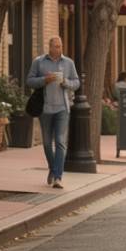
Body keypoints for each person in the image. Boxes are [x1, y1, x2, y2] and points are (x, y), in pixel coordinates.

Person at [25, 37, 80, 189]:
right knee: (48, 143)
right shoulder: (39, 62)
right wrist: (44, 80)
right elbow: (29, 81)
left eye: (60, 46)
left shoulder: (69, 63)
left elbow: (76, 83)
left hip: (63, 108)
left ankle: (58, 177)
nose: (59, 49)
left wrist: (66, 83)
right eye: (56, 46)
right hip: (45, 109)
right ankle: (53, 168)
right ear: (49, 47)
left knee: (61, 142)